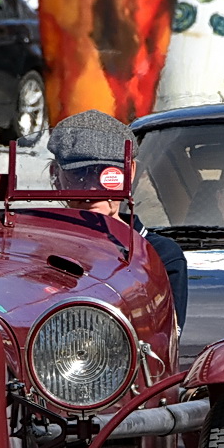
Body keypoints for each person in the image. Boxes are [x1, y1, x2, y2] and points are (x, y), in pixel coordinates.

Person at [48, 110, 188, 327]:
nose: (91, 189)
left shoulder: (159, 255)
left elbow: (166, 340)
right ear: (55, 175)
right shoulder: (37, 245)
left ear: (129, 173)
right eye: (78, 175)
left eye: (104, 174)